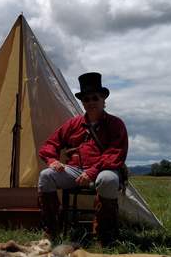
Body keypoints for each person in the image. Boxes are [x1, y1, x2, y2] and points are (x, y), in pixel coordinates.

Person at [37, 72, 128, 246]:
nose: (90, 102)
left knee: (109, 179)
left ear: (103, 100)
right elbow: (50, 144)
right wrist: (52, 160)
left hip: (102, 170)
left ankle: (101, 235)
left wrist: (93, 171)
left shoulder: (116, 124)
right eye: (86, 99)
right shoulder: (73, 124)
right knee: (45, 176)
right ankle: (52, 233)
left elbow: (116, 152)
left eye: (95, 98)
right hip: (75, 170)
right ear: (83, 103)